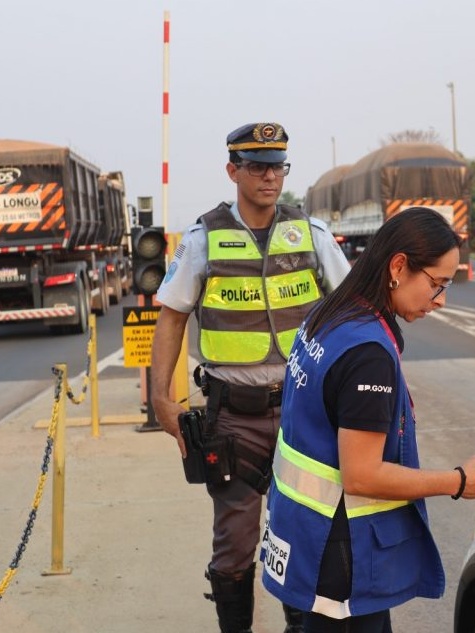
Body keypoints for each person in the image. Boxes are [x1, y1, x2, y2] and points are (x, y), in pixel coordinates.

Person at [260, 207, 475, 632]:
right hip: (342, 556)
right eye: (437, 284)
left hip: (305, 535)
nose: (441, 300)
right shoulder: (367, 353)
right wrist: (459, 481)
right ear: (398, 267)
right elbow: (362, 475)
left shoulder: (329, 315)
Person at [150, 122, 350, 633]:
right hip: (232, 418)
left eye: (277, 166)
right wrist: (163, 401)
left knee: (304, 534)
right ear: (232, 171)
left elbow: (352, 308)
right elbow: (171, 317)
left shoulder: (310, 234)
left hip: (305, 413)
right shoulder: (203, 239)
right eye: (257, 166)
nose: (269, 177)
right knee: (236, 543)